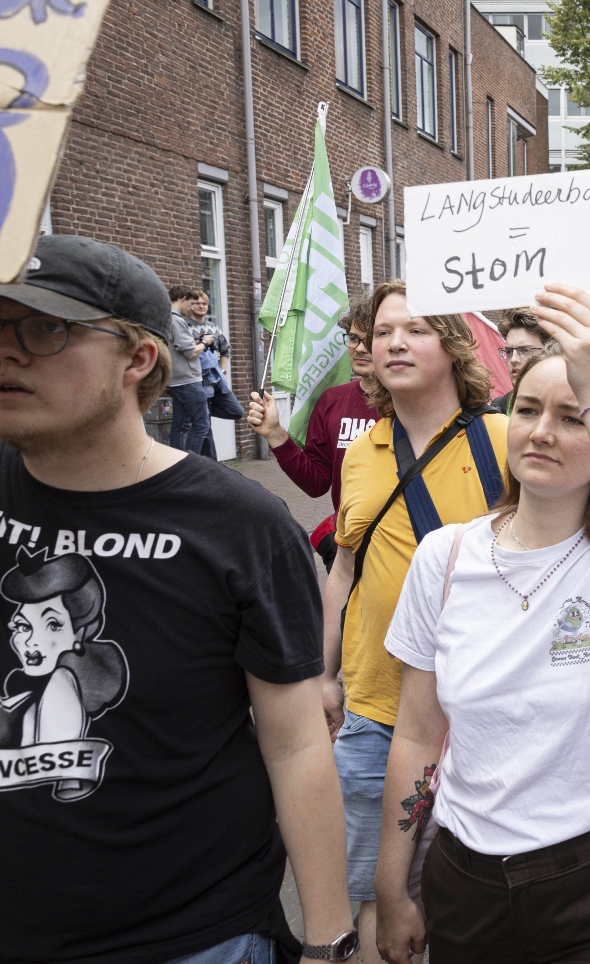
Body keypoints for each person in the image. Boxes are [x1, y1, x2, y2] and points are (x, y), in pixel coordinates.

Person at [0, 234, 355, 961]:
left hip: (190, 935)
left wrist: (328, 941)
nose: (9, 351)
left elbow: (294, 746)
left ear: (140, 359)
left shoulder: (240, 526)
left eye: (45, 329)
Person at [374, 285, 590, 964]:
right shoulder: (445, 557)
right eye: (526, 409)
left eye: (574, 417)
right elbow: (419, 734)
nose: (543, 430)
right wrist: (391, 881)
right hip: (465, 881)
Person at [324, 281, 510, 960]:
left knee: (478, 893)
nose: (394, 342)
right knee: (383, 893)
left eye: (415, 330)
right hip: (375, 709)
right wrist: (325, 676)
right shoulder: (362, 453)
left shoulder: (503, 438)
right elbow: (344, 572)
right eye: (382, 333)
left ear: (453, 347)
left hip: (482, 711)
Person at [248, 296, 381, 567]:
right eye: (354, 338)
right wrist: (275, 434)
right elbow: (316, 483)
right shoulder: (332, 400)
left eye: (372, 339)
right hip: (348, 549)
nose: (360, 348)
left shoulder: (413, 405)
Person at [184, 289, 244, 459]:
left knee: (236, 410)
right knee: (204, 427)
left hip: (215, 382)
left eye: (204, 303)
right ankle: (210, 463)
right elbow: (185, 351)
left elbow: (225, 350)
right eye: (197, 303)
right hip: (196, 380)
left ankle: (206, 411)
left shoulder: (214, 327)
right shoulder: (185, 326)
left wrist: (222, 371)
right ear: (190, 305)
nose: (201, 306)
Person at [166, 286, 211, 455]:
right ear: (183, 298)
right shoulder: (176, 320)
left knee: (179, 426)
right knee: (201, 425)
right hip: (189, 381)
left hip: (177, 380)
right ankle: (190, 465)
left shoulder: (166, 319)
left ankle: (176, 465)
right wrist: (205, 342)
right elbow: (191, 353)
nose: (191, 308)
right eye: (191, 303)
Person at [497, 307, 548, 413]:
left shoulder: (576, 407)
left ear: (549, 351)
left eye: (525, 350)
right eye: (509, 352)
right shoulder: (497, 410)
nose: (513, 360)